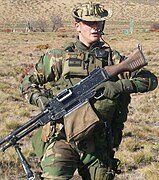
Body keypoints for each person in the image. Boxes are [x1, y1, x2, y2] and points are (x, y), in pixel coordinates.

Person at [20, 2, 158, 180]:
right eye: (89, 23)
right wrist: (42, 100)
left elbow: (150, 80)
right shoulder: (57, 57)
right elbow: (27, 83)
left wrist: (118, 86)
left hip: (99, 142)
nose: (96, 27)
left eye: (99, 22)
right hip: (63, 137)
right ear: (77, 26)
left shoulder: (113, 59)